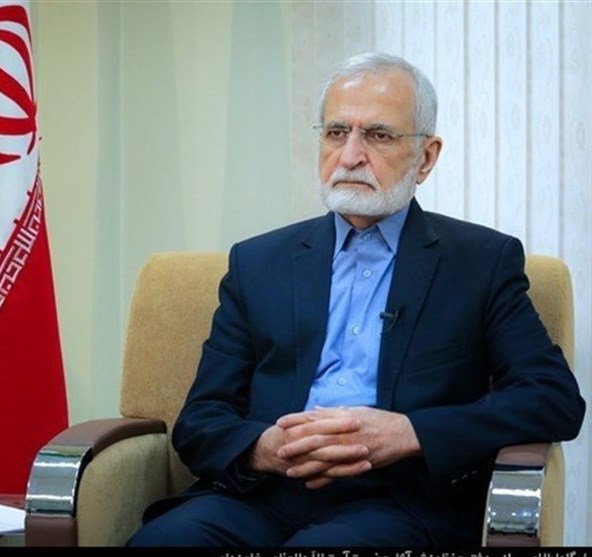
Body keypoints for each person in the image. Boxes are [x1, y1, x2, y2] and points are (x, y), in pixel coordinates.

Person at [126, 52, 586, 547]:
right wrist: (267, 447)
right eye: (336, 132)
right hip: (260, 495)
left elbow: (552, 399)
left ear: (426, 157)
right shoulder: (258, 262)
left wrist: (409, 432)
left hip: (398, 502)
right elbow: (201, 419)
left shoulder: (480, 262)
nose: (349, 156)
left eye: (379, 135)